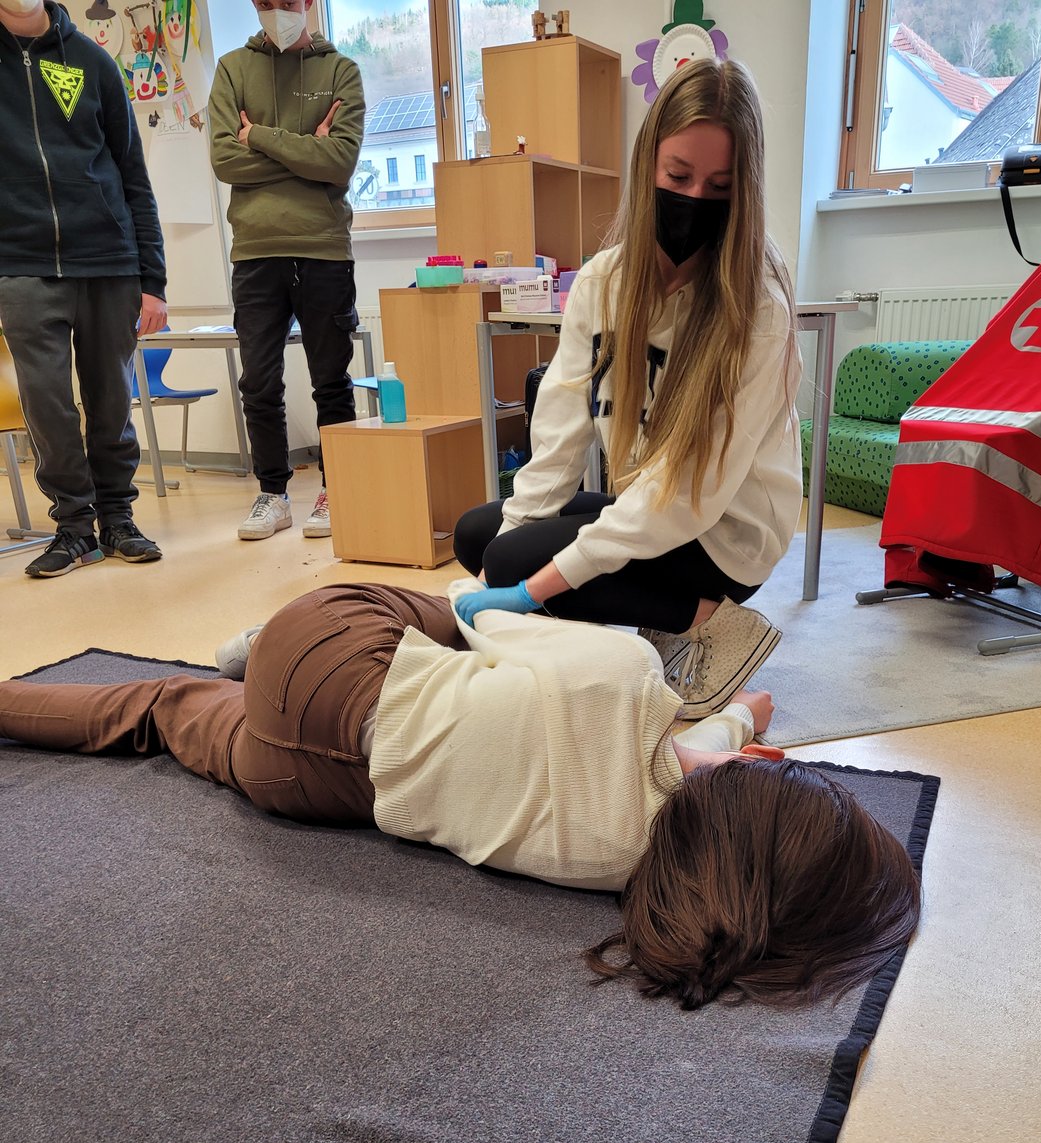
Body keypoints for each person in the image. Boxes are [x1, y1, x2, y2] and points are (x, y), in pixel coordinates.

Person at [0, 580, 921, 1009]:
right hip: (309, 787)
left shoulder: (623, 680)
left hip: (328, 654)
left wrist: (734, 714)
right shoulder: (626, 871)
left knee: (451, 614)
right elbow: (678, 774)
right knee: (160, 708)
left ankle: (259, 643)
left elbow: (495, 624)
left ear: (757, 780)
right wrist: (732, 724)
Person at [453, 56, 802, 719]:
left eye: (720, 186)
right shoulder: (603, 284)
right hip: (653, 501)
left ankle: (712, 623)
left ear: (745, 190)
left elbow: (688, 499)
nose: (693, 200)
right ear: (648, 166)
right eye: (678, 176)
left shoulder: (758, 309)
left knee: (522, 567)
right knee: (482, 537)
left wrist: (526, 591)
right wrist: (501, 564)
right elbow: (558, 439)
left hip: (725, 535)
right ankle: (632, 630)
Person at [0, 0, 167, 579]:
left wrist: (153, 280)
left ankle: (118, 519)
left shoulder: (94, 63)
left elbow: (133, 175)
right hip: (21, 264)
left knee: (112, 399)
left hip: (108, 261)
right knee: (46, 403)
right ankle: (74, 527)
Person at [208, 0, 365, 542]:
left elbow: (339, 161)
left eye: (289, 2)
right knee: (258, 382)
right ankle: (272, 495)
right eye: (267, 3)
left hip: (323, 248)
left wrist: (258, 136)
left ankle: (338, 491)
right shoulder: (233, 68)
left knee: (331, 382)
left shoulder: (341, 70)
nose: (279, 12)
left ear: (310, 3)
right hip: (255, 251)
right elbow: (224, 161)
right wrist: (307, 151)